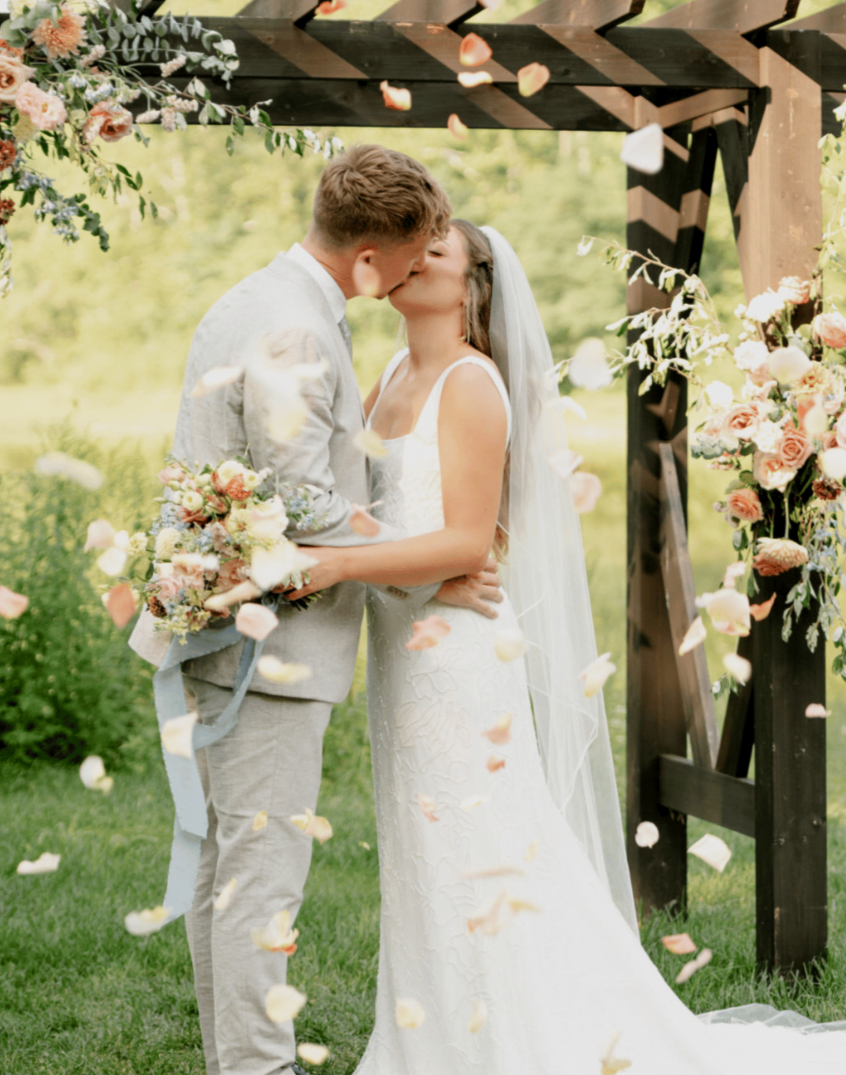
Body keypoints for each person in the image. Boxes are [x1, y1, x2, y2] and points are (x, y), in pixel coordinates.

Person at [287, 222, 846, 1073]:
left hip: (459, 665)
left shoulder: (472, 385)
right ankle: (432, 1034)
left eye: (431, 252)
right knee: (423, 851)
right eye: (405, 250)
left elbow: (469, 542)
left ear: (472, 282)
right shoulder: (395, 374)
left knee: (483, 851)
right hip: (407, 650)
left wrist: (344, 564)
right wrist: (397, 570)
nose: (407, 262)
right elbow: (371, 514)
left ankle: (512, 1041)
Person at [131, 148, 502, 1075]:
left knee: (231, 868)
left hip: (231, 633)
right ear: (372, 253)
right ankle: (259, 1067)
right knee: (261, 879)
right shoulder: (299, 330)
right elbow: (305, 508)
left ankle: (238, 1063)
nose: (420, 269)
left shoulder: (264, 298)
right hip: (267, 647)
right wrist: (424, 569)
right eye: (413, 254)